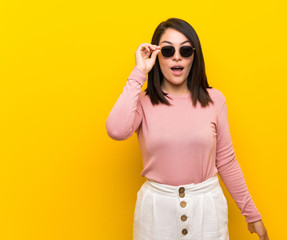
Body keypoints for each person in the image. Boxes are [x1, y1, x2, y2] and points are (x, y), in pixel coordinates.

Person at [106, 17, 269, 240]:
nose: (176, 56)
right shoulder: (142, 102)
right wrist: (139, 72)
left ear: (194, 56)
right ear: (156, 55)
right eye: (167, 50)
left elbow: (226, 161)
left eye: (185, 50)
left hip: (207, 210)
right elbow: (116, 130)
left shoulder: (215, 100)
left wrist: (252, 215)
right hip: (156, 212)